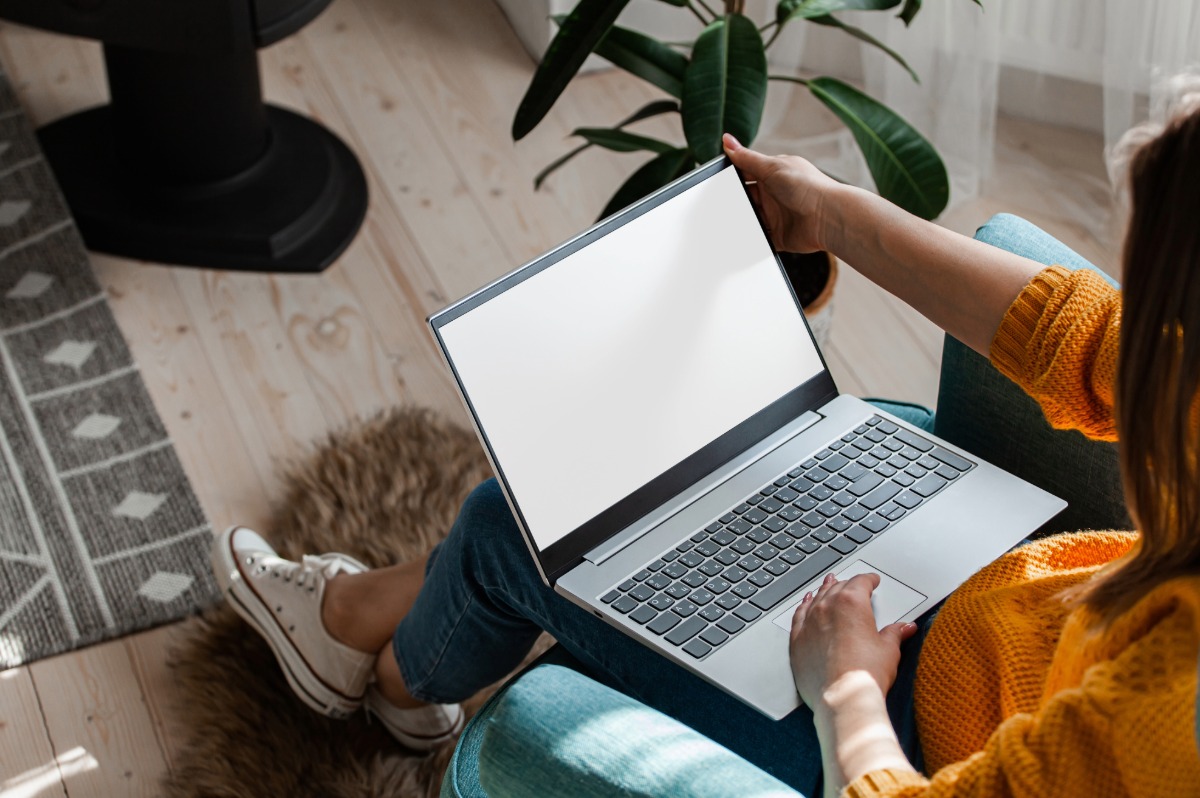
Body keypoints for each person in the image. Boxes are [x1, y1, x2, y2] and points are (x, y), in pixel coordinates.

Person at [211, 81, 1200, 795]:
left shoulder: (1175, 709)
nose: (1142, 331)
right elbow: (1086, 335)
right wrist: (834, 215)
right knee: (696, 496)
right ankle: (384, 642)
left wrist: (846, 690)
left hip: (920, 737)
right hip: (1014, 619)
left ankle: (373, 668)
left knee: (521, 531)